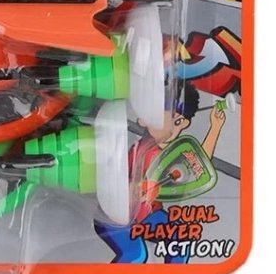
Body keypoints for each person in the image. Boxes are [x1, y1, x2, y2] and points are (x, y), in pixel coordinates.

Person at [94, 82, 226, 263]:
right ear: (144, 119)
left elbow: (199, 163)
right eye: (165, 119)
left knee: (181, 238)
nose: (172, 127)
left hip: (149, 215)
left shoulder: (172, 153)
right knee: (136, 254)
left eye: (178, 121)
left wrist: (215, 128)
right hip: (115, 214)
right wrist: (128, 190)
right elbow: (112, 177)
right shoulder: (142, 150)